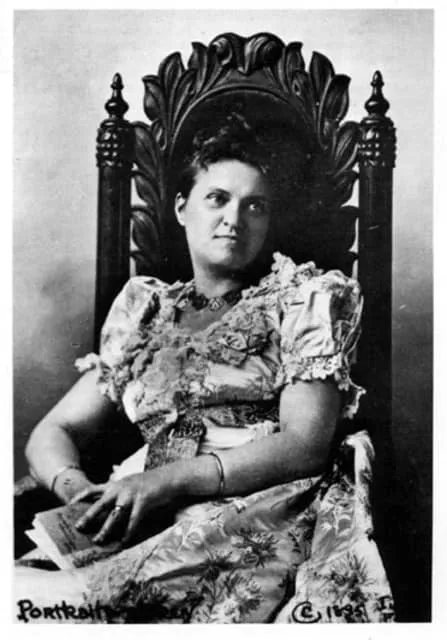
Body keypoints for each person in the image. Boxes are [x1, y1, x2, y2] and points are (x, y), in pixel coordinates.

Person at [14, 114, 394, 623]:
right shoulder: (146, 313)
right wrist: (78, 492)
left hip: (252, 506)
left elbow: (305, 444)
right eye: (217, 198)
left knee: (61, 607)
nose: (234, 219)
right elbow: (54, 430)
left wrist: (167, 482)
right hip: (145, 507)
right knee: (24, 597)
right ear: (181, 208)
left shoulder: (301, 301)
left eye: (254, 206)